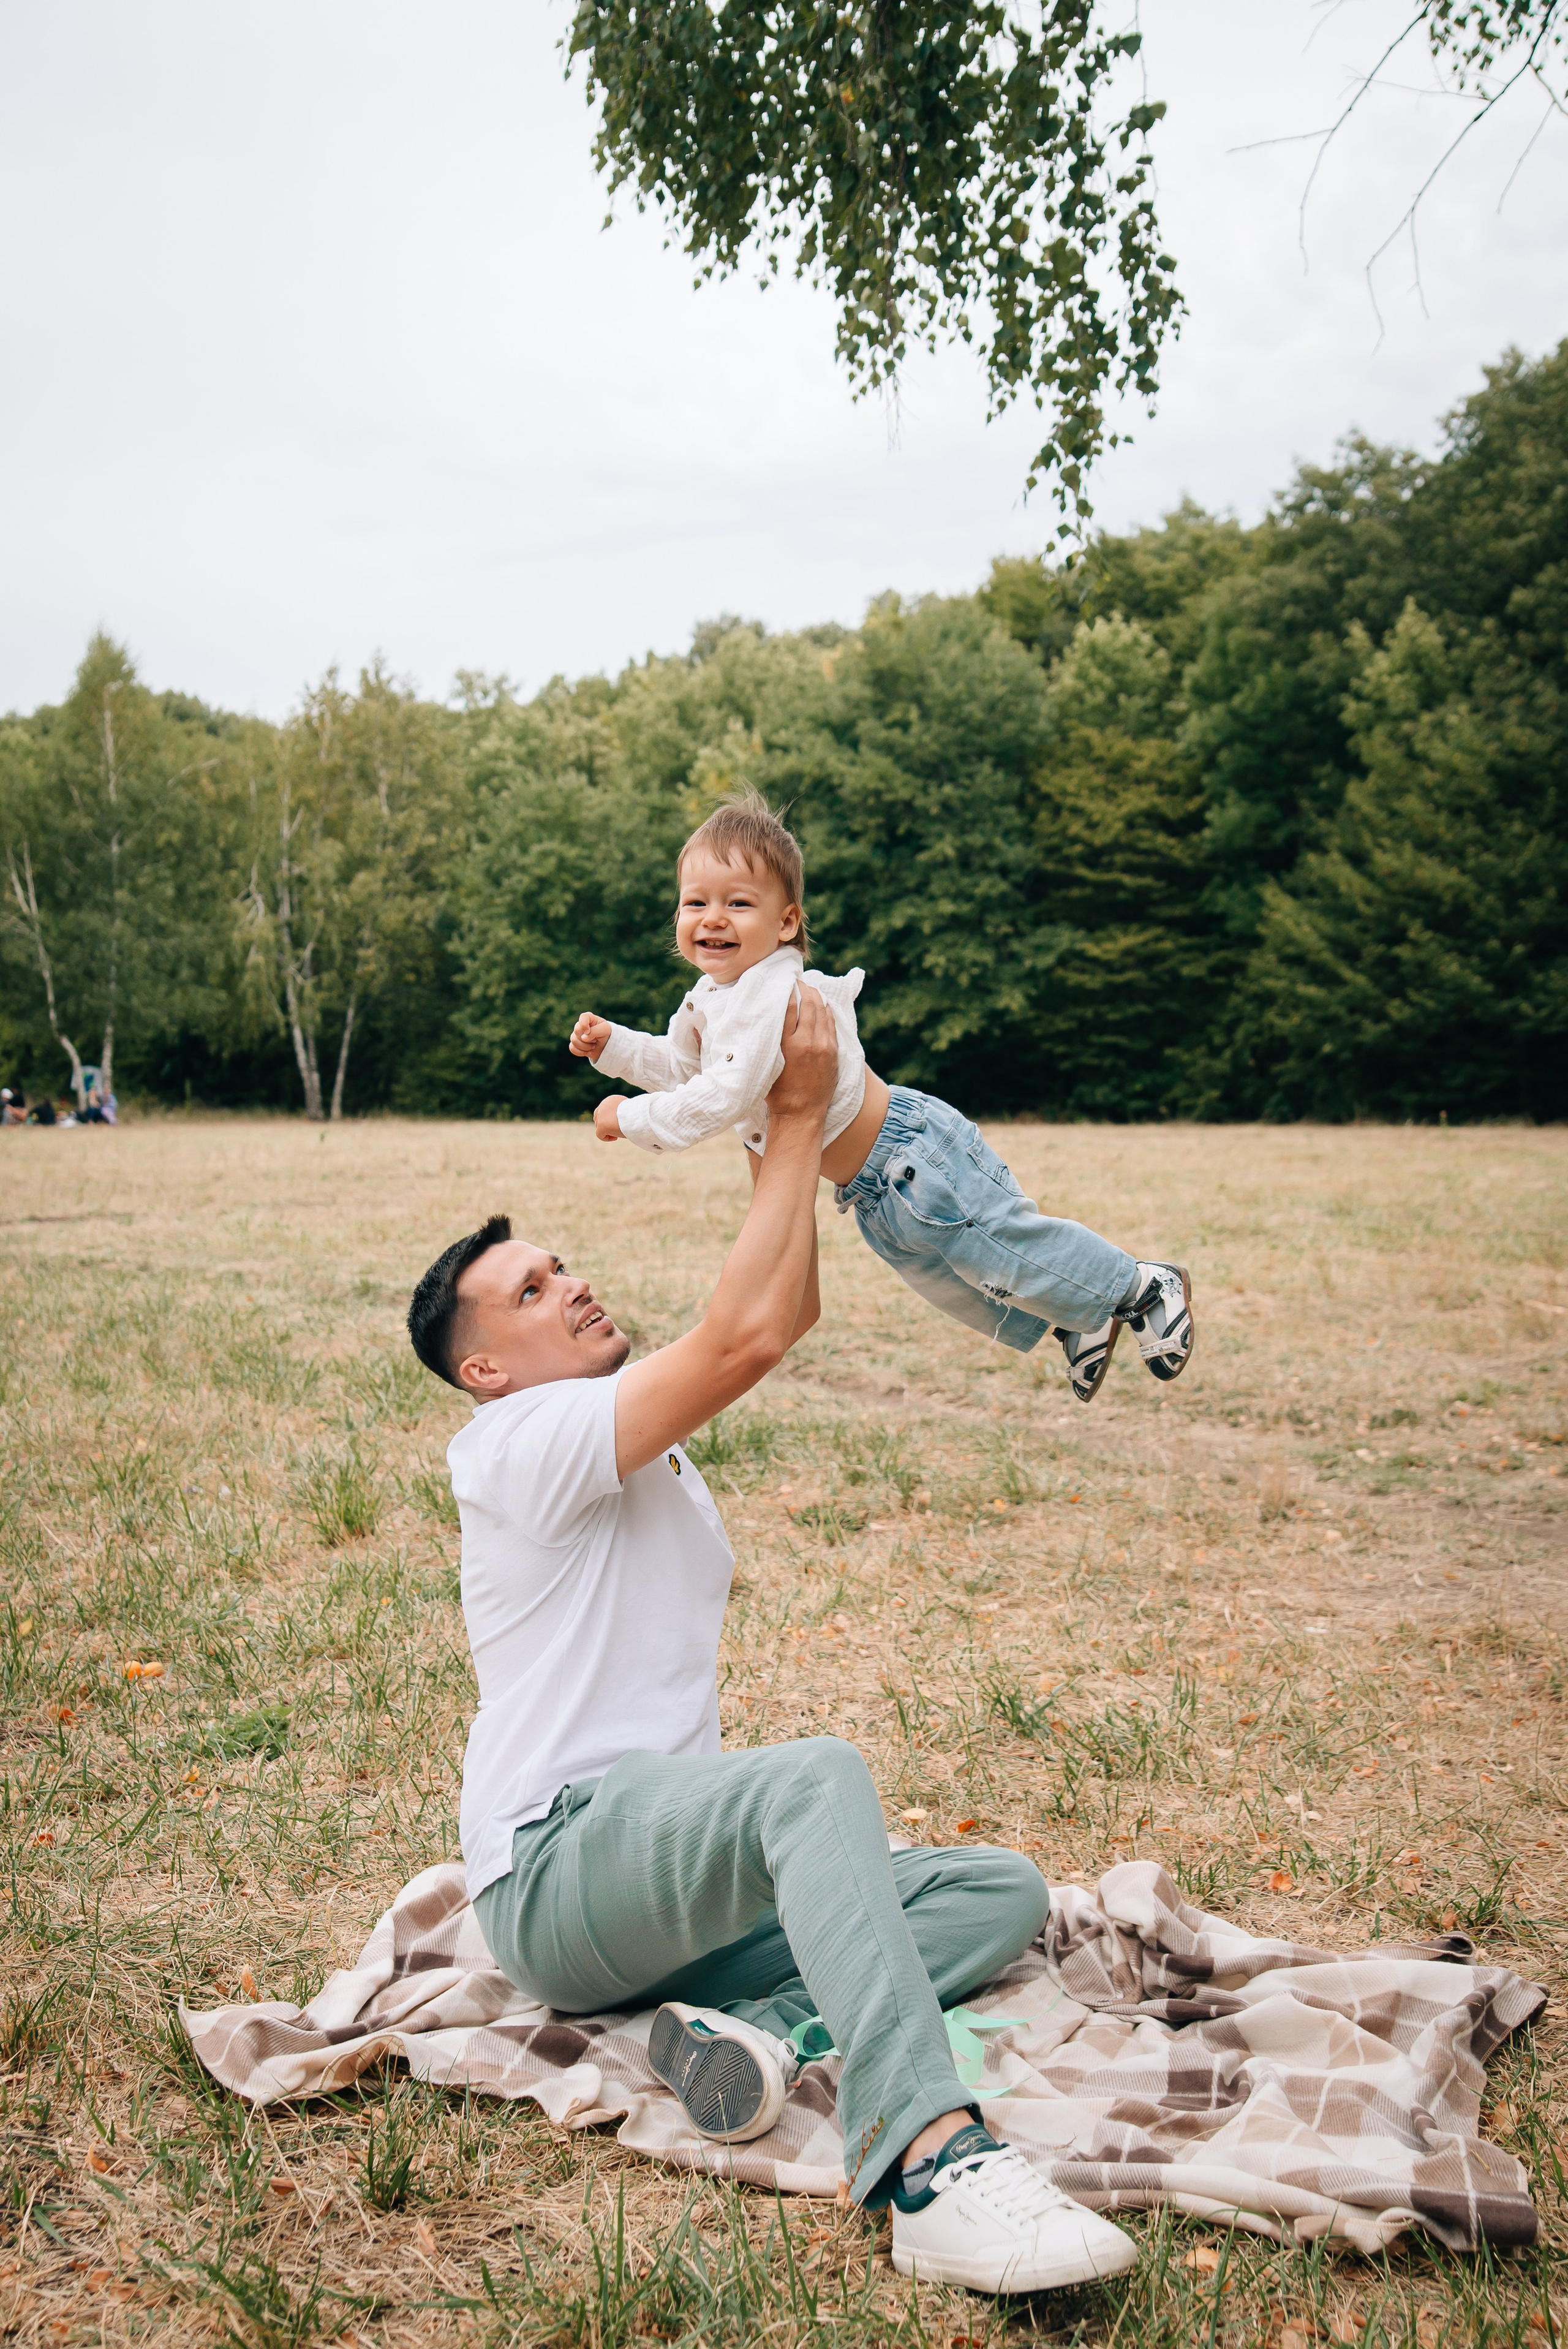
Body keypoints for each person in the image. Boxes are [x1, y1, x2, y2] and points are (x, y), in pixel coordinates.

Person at [407, 993, 1136, 2296]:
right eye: (530, 1289)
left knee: (997, 1892)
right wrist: (792, 1116)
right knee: (813, 1779)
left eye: (561, 1264)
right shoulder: (515, 1443)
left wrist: (771, 1129)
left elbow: (780, 1313)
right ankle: (927, 2160)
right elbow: (743, 1334)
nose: (569, 1282)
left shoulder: (613, 1431)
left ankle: (740, 2030)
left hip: (662, 1898)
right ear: (485, 1370)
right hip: (559, 1868)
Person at [570, 794, 1194, 1405]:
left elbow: (723, 1095)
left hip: (909, 1155)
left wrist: (629, 1116)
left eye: (738, 903)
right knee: (961, 1279)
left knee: (1001, 1247)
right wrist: (615, 1049)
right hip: (870, 1192)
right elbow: (685, 1070)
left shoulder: (767, 989)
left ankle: (1139, 1286)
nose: (712, 918)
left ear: (785, 923)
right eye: (695, 903)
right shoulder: (712, 998)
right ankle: (1079, 1318)